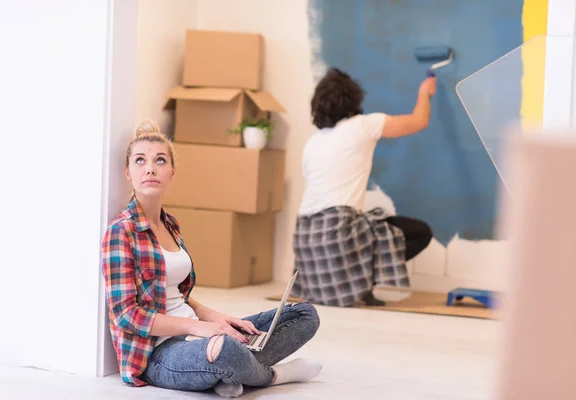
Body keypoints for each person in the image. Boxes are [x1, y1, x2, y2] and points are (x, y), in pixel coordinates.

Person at [101, 120, 322, 398]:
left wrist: (219, 319)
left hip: (198, 333)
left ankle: (228, 375)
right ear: (128, 173)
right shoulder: (121, 231)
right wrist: (200, 328)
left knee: (303, 314)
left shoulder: (171, 224)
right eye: (140, 161)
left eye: (160, 160)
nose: (150, 168)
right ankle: (274, 376)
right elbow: (127, 316)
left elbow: (177, 295)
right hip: (158, 352)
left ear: (171, 172)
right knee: (226, 350)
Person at [291, 68, 435, 308]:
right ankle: (363, 285)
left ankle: (358, 286)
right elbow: (419, 121)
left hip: (305, 241)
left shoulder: (313, 141)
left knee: (371, 221)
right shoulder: (363, 125)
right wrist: (425, 92)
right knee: (420, 232)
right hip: (336, 233)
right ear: (354, 98)